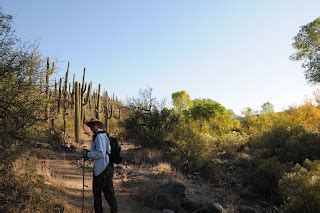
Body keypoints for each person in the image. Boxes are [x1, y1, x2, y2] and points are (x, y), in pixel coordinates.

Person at [84, 118, 118, 213]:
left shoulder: (99, 136)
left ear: (97, 125)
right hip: (107, 167)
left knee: (97, 193)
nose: (91, 127)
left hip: (102, 169)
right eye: (90, 125)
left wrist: (88, 155)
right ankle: (114, 211)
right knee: (108, 192)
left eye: (93, 125)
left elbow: (101, 153)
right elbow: (106, 151)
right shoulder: (103, 135)